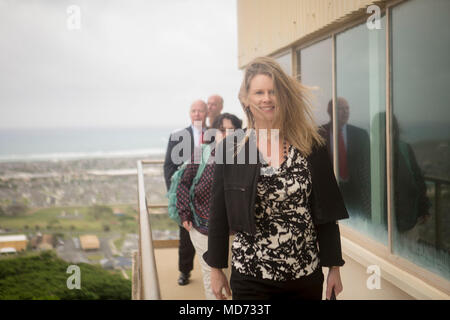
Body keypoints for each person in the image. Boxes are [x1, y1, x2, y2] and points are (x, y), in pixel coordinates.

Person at [204, 57, 349, 300]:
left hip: (305, 276)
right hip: (251, 276)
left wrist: (334, 267)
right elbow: (218, 213)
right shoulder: (233, 149)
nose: (266, 98)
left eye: (273, 91)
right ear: (247, 100)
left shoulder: (311, 144)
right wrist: (215, 269)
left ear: (283, 97)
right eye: (259, 92)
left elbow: (327, 212)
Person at [176, 113, 243, 299]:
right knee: (212, 283)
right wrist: (184, 214)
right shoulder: (202, 152)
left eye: (233, 130)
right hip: (203, 230)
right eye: (223, 130)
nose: (227, 134)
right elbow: (183, 182)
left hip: (236, 233)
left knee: (234, 281)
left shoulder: (246, 156)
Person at [163, 99, 208, 286]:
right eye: (193, 110)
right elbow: (169, 166)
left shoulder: (216, 135)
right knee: (185, 235)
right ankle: (184, 271)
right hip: (184, 195)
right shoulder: (178, 136)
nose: (197, 114)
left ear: (206, 113)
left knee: (210, 235)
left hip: (206, 195)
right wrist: (176, 194)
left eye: (200, 110)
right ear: (190, 113)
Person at [319, 98, 371, 220]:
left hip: (355, 193)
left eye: (347, 108)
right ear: (330, 111)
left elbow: (367, 166)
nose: (345, 112)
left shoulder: (360, 134)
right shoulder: (318, 134)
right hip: (328, 192)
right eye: (340, 108)